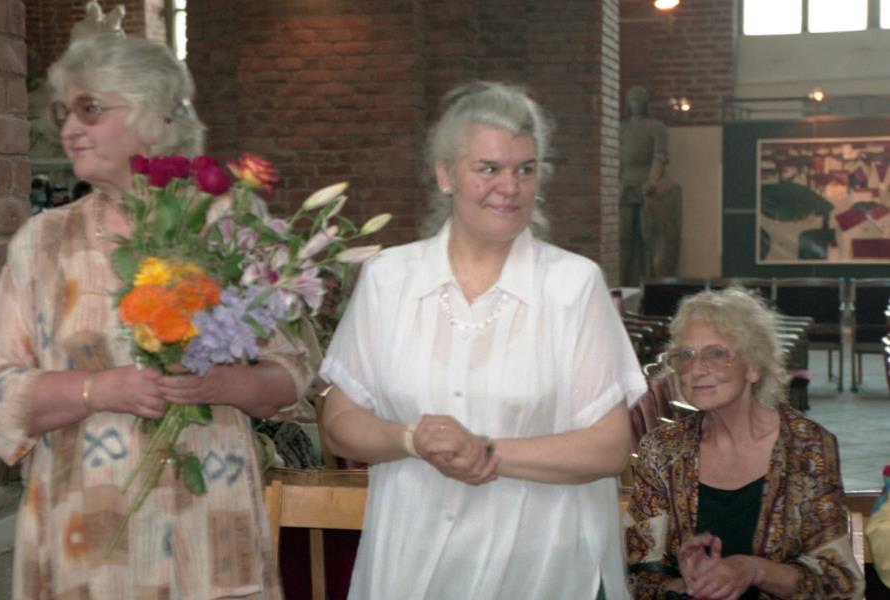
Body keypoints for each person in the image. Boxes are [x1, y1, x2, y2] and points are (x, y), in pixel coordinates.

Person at [0, 33, 313, 600]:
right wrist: (99, 389)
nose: (70, 129)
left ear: (152, 117)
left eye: (90, 109)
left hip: (209, 536)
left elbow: (295, 375)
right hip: (86, 541)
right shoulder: (43, 244)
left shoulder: (231, 229)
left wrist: (224, 384)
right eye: (63, 113)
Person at [319, 81, 647, 599]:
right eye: (489, 169)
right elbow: (339, 423)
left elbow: (609, 448)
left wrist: (484, 451)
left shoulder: (573, 285)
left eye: (525, 169)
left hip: (540, 564)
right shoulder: (388, 279)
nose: (510, 187)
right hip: (411, 559)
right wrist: (411, 440)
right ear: (445, 175)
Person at [625, 287, 864, 600]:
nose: (696, 370)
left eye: (716, 353)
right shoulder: (661, 450)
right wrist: (690, 585)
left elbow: (839, 583)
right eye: (685, 356)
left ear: (753, 366)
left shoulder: (807, 447)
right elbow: (639, 576)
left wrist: (754, 570)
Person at [620, 85, 680, 285]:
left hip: (647, 186)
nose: (636, 103)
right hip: (625, 185)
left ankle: (650, 280)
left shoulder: (656, 127)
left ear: (645, 103)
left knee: (649, 237)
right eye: (633, 99)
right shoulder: (622, 128)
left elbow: (659, 156)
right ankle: (621, 279)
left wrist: (652, 180)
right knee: (624, 236)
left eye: (639, 99)